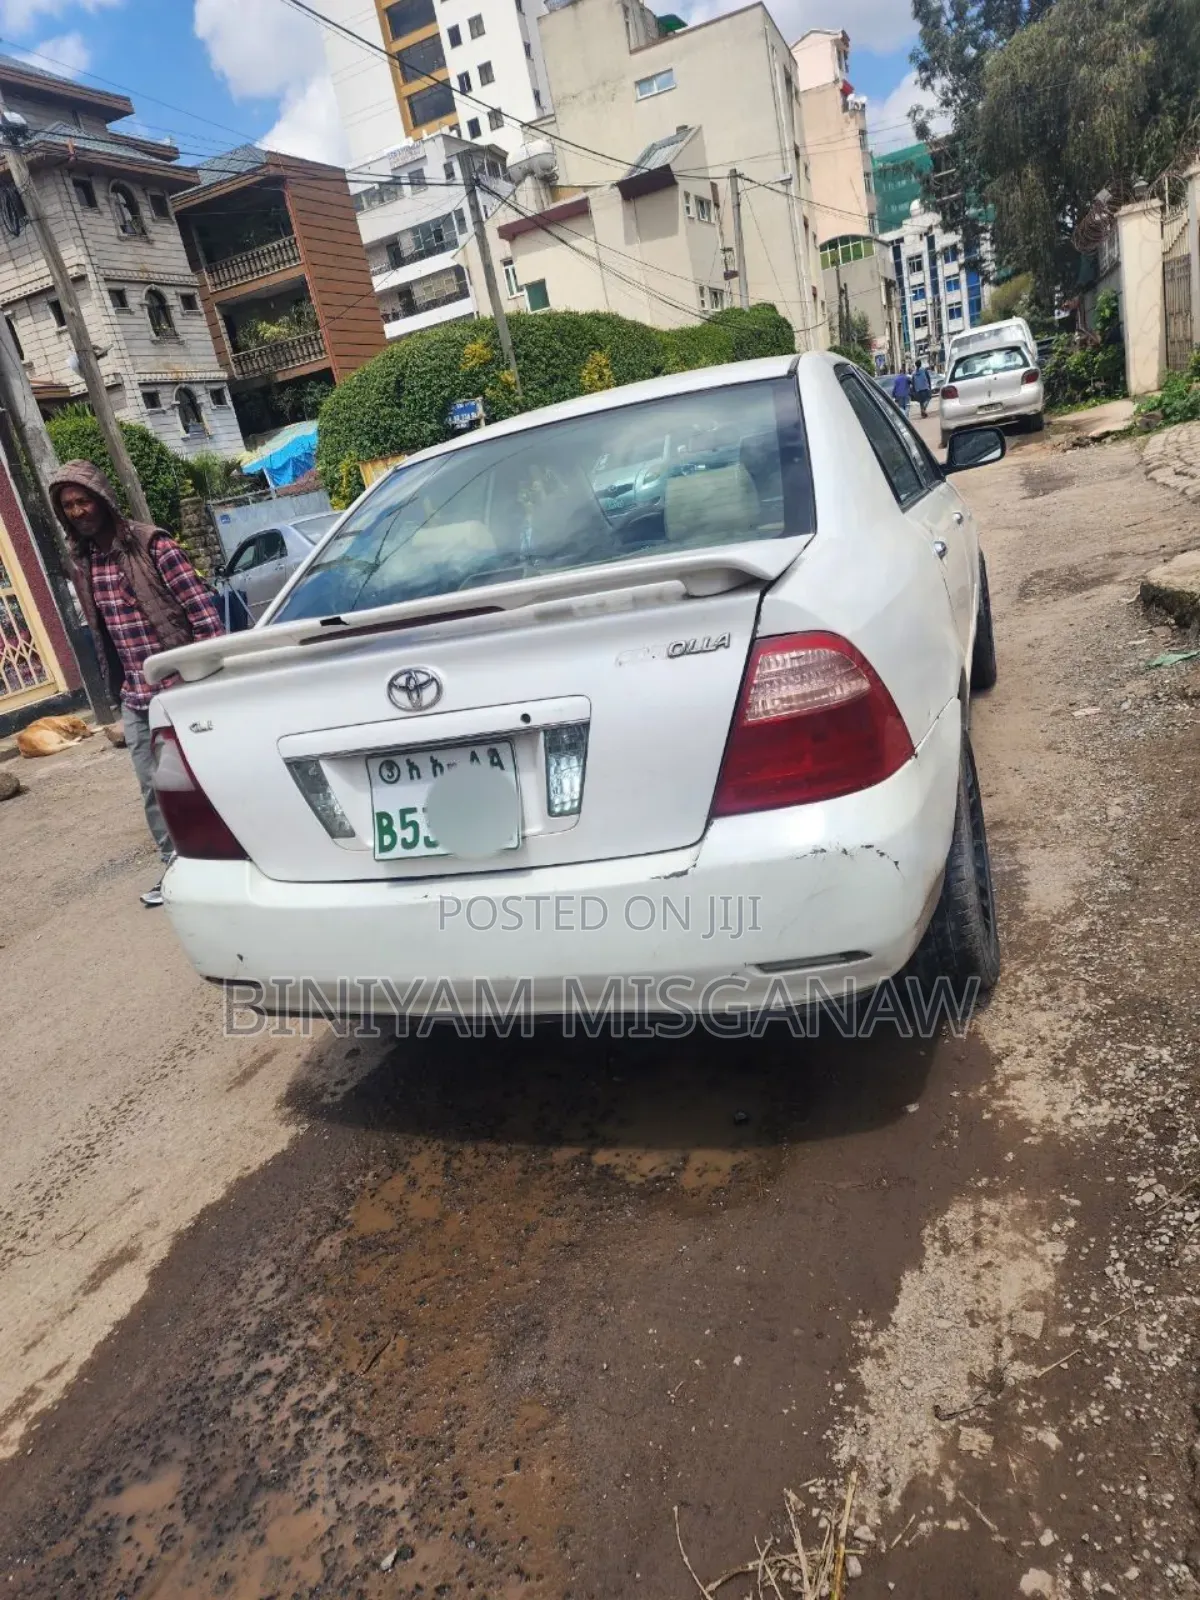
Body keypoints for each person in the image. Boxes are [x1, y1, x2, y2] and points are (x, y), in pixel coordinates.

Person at [50, 460, 225, 908]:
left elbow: (205, 617)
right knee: (154, 785)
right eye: (68, 505)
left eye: (83, 500)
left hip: (181, 688)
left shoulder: (154, 545)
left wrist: (208, 680)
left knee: (211, 773)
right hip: (136, 695)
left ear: (103, 498)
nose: (77, 511)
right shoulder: (83, 562)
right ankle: (176, 869)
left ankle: (233, 859)